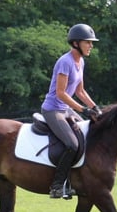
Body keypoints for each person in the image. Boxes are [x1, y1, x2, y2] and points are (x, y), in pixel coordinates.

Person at [41, 23, 102, 199]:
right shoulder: (65, 62)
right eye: (88, 42)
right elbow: (60, 93)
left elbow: (80, 91)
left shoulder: (79, 62)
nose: (91, 45)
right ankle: (57, 185)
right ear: (76, 43)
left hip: (66, 109)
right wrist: (83, 109)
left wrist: (94, 107)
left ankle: (77, 180)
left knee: (86, 136)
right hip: (53, 110)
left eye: (92, 42)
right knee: (71, 144)